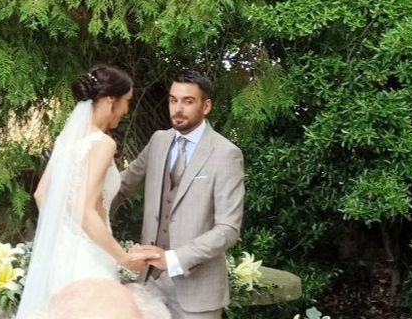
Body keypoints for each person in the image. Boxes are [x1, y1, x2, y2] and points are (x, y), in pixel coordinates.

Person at [15, 64, 161, 319]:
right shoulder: (103, 143)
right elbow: (84, 211)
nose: (126, 110)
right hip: (90, 259)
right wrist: (124, 259)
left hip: (61, 258)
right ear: (109, 100)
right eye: (126, 101)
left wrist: (62, 236)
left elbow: (41, 194)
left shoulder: (67, 140)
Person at [113, 71, 245, 319]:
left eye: (188, 101)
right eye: (173, 100)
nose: (178, 109)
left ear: (206, 106)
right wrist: (85, 218)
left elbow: (228, 229)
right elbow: (120, 188)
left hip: (197, 292)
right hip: (149, 283)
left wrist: (173, 258)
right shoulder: (158, 141)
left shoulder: (226, 154)